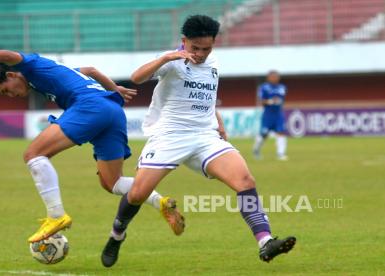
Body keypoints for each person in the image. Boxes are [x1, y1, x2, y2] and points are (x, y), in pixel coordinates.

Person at [100, 15, 296, 268]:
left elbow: (206, 97)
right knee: (138, 193)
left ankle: (265, 241)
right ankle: (117, 234)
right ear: (184, 42)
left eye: (207, 48)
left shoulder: (213, 62)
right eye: (195, 48)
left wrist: (219, 123)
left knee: (245, 180)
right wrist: (166, 57)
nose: (201, 53)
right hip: (169, 137)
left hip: (205, 136)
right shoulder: (172, 61)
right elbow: (136, 77)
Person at [0, 50, 185, 242]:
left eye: (5, 90)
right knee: (113, 183)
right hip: (111, 110)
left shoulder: (31, 65)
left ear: (11, 75)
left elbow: (3, 54)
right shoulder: (49, 74)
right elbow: (90, 70)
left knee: (33, 153)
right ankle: (161, 203)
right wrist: (115, 90)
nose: (10, 95)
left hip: (90, 107)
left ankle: (56, 216)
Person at [253, 70, 288, 160]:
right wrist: (271, 101)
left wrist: (278, 101)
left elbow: (282, 100)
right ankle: (256, 150)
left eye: (276, 76)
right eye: (273, 76)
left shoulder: (282, 87)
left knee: (281, 132)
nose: (275, 78)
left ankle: (281, 154)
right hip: (268, 115)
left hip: (278, 114)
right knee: (264, 134)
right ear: (268, 78)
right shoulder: (264, 87)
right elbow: (262, 101)